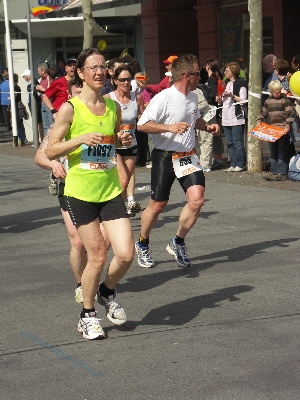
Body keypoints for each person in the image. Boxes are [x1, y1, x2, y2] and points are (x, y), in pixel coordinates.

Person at [46, 48, 134, 340]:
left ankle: (107, 291)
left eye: (103, 67)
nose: (99, 72)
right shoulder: (70, 108)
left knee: (125, 253)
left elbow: (112, 142)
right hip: (81, 193)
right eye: (93, 67)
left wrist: (123, 138)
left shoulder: (113, 108)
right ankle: (87, 315)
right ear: (81, 73)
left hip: (108, 190)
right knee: (96, 255)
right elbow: (51, 149)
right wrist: (80, 138)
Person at [135, 54, 220, 268]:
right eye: (196, 72)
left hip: (187, 156)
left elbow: (194, 119)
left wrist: (207, 126)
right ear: (185, 75)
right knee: (158, 205)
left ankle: (177, 242)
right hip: (165, 155)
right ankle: (143, 243)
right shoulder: (164, 97)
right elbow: (142, 125)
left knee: (197, 200)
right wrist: (169, 127)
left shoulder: (193, 96)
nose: (199, 76)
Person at [35, 81, 111, 304]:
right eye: (78, 94)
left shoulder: (101, 115)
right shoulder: (63, 120)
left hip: (99, 185)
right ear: (70, 96)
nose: (83, 99)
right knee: (78, 242)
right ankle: (81, 284)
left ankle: (93, 277)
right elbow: (41, 155)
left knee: (103, 243)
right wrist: (53, 165)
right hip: (70, 186)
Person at [104, 65, 145, 217]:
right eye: (123, 80)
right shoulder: (108, 98)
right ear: (115, 81)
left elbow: (142, 118)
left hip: (131, 143)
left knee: (126, 179)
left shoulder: (137, 97)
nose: (127, 82)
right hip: (114, 144)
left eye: (129, 79)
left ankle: (119, 209)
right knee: (121, 179)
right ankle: (115, 211)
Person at [257, 80, 294, 180]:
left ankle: (282, 172)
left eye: (279, 92)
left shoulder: (285, 99)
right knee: (273, 151)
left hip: (282, 129)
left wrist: (287, 126)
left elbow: (290, 113)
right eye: (276, 92)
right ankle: (274, 171)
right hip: (272, 129)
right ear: (271, 92)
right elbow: (263, 113)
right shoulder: (268, 101)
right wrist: (259, 120)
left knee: (282, 151)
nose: (278, 94)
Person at [217, 62, 247, 172]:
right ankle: (233, 164)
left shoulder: (241, 83)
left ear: (233, 71)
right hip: (226, 116)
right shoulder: (224, 83)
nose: (225, 72)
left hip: (237, 116)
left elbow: (243, 100)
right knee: (229, 142)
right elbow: (221, 101)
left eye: (227, 70)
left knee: (237, 142)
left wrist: (232, 96)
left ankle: (240, 164)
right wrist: (219, 99)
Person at [205, 58, 225, 170]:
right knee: (216, 135)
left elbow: (215, 94)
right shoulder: (217, 77)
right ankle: (218, 158)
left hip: (213, 109)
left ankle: (218, 159)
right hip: (216, 109)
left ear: (208, 66)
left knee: (215, 135)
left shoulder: (211, 79)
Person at [21, 69, 44, 143]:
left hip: (36, 106)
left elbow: (38, 94)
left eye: (24, 76)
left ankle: (38, 140)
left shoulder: (34, 84)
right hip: (33, 106)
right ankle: (39, 139)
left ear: (27, 77)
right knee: (38, 122)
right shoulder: (31, 84)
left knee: (37, 122)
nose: (24, 78)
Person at [36, 62, 54, 137]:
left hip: (49, 101)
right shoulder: (41, 80)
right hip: (42, 101)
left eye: (39, 70)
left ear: (43, 71)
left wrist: (42, 89)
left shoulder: (50, 78)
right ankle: (46, 141)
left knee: (51, 123)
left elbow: (51, 90)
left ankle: (51, 140)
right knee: (45, 124)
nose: (38, 72)